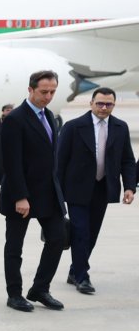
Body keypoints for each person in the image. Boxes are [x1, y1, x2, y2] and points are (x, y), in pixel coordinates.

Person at [0, 70, 67, 312]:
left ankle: (40, 288)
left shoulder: (50, 116)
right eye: (43, 92)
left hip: (48, 192)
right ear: (30, 90)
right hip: (22, 194)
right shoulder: (16, 119)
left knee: (58, 238)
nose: (48, 97)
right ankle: (14, 293)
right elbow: (11, 162)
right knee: (15, 247)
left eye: (52, 92)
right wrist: (20, 196)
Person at [56, 87, 136, 294]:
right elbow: (60, 161)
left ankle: (75, 270)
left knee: (92, 234)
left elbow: (127, 159)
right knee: (81, 231)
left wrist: (129, 186)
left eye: (108, 104)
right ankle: (82, 277)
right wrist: (57, 192)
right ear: (91, 103)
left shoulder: (120, 127)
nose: (103, 107)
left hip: (103, 188)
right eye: (100, 103)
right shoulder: (74, 127)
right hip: (77, 189)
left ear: (114, 105)